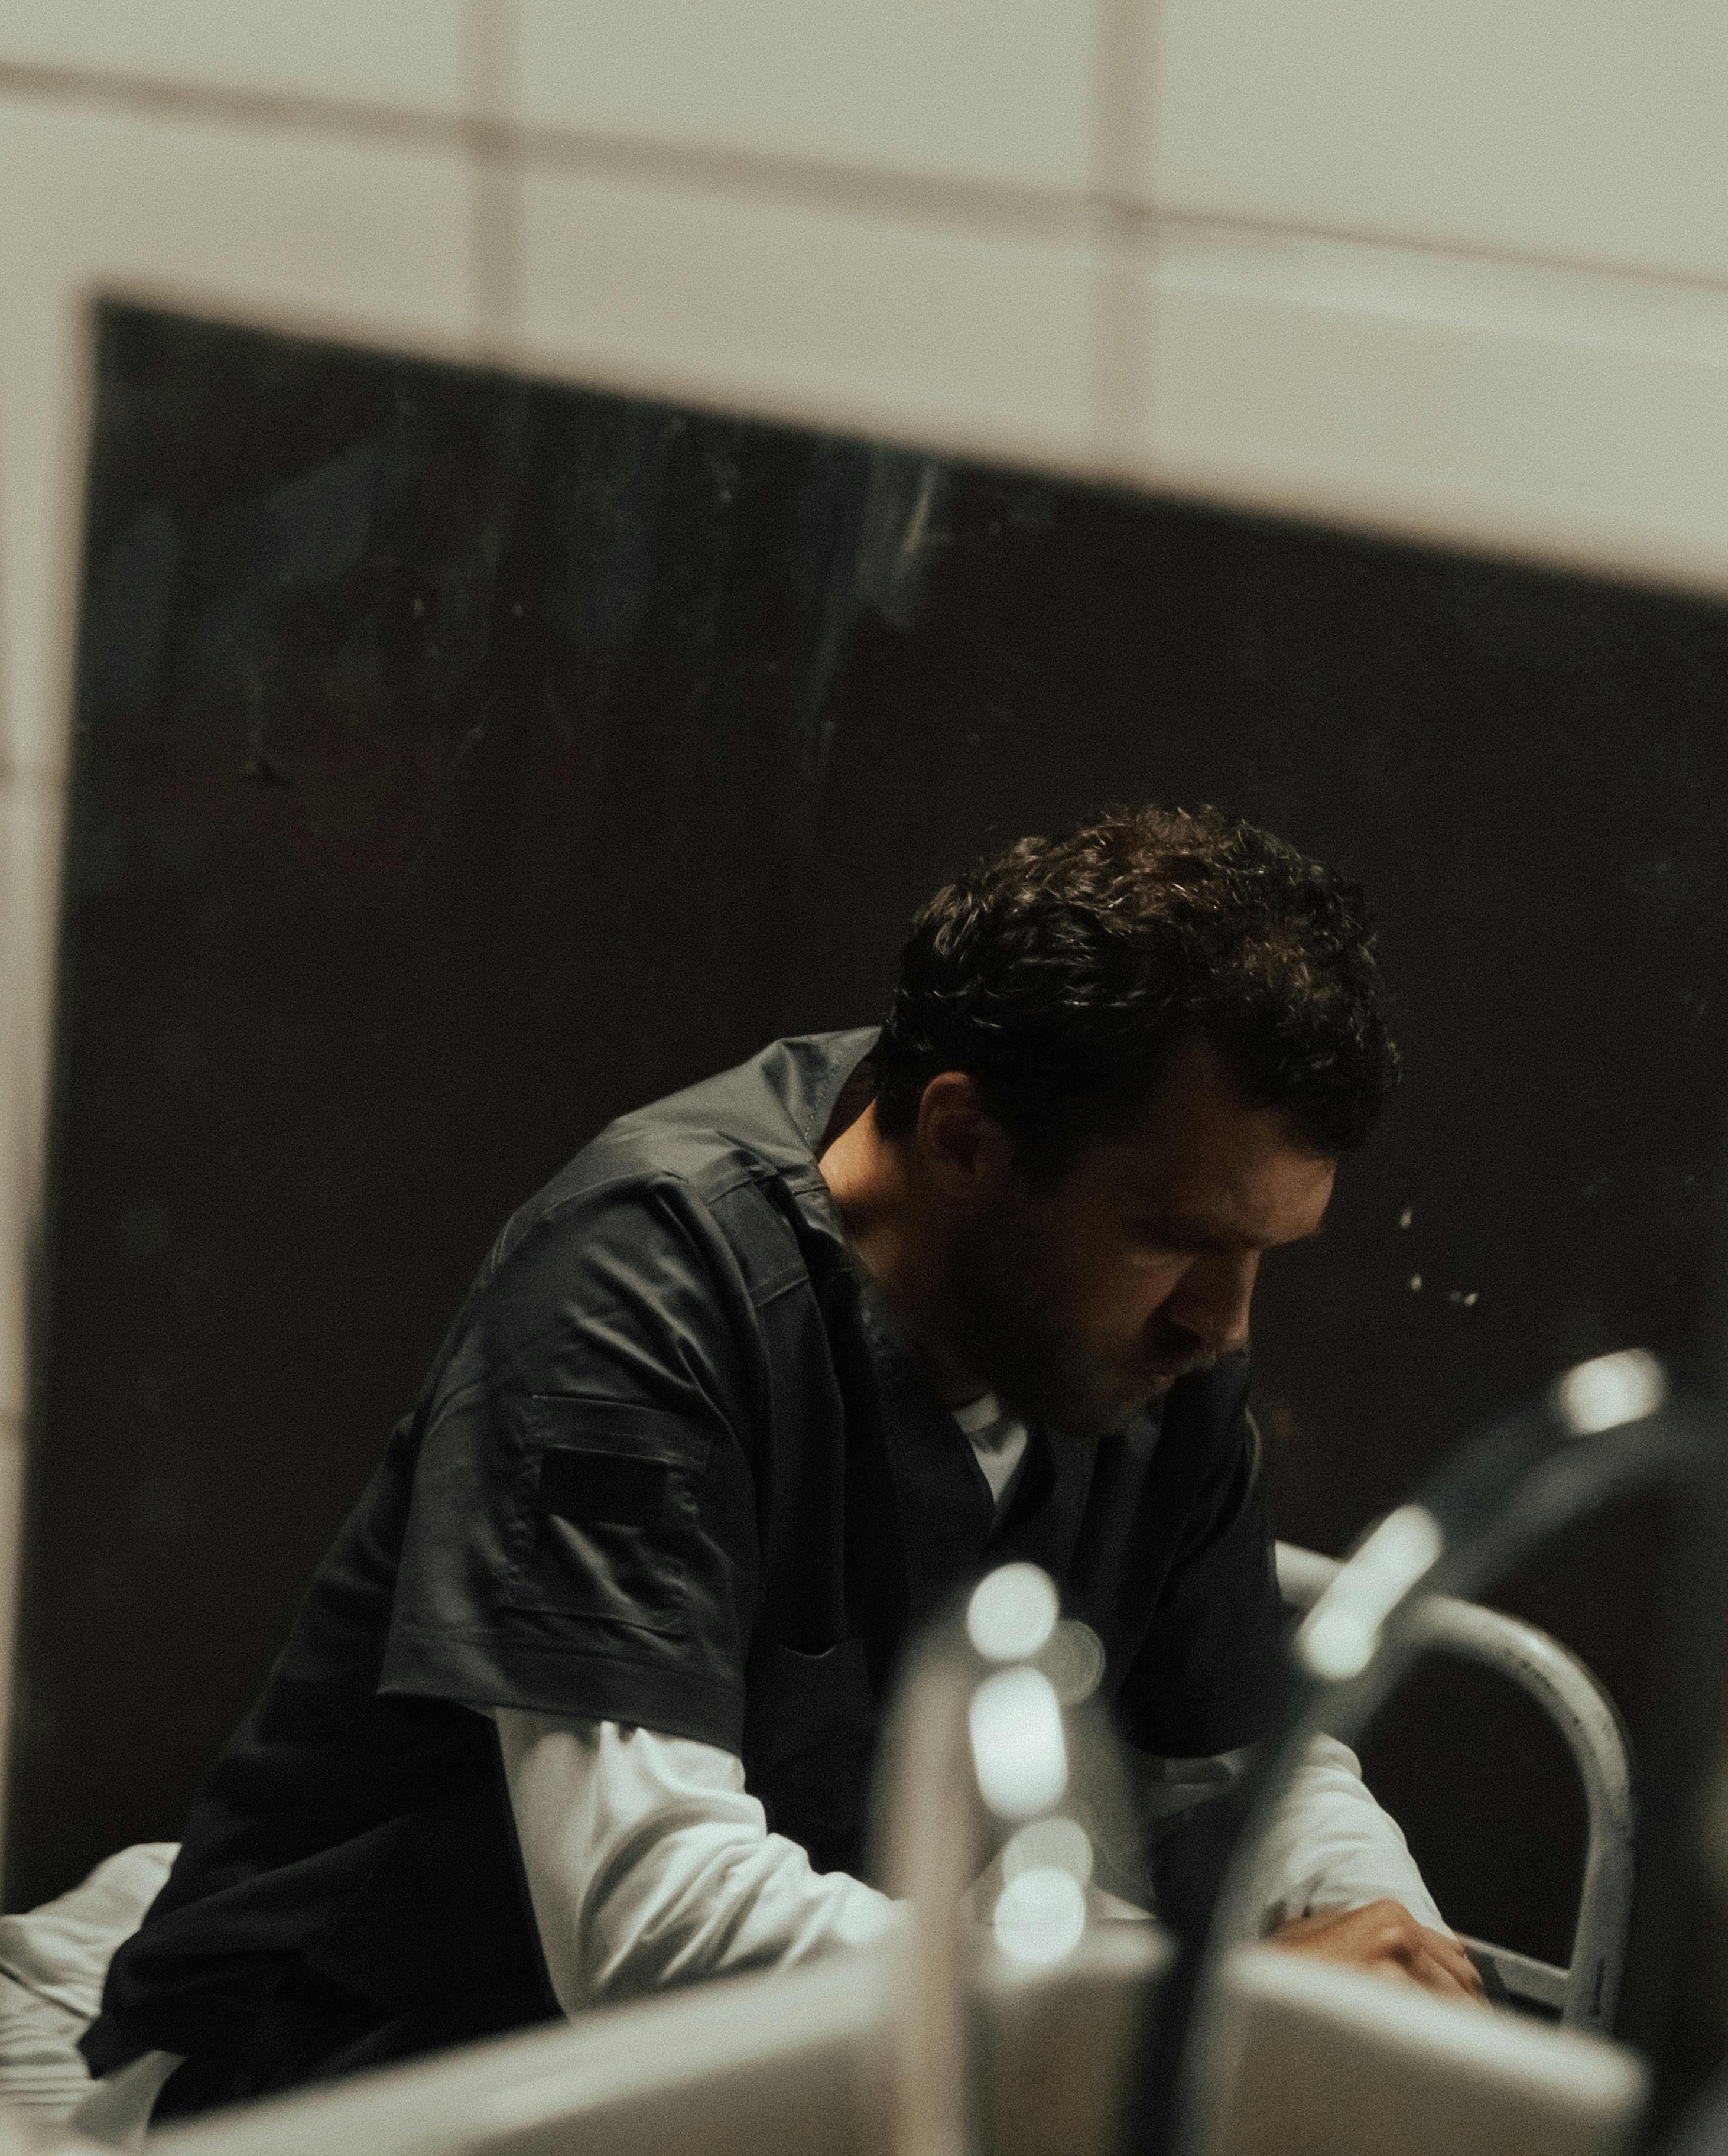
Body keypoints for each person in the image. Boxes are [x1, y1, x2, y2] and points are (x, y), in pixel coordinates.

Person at [77, 806, 1481, 2125]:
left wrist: (1387, 1968)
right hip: (365, 2068)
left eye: (1261, 1256)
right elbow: (649, 1920)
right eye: (1177, 1239)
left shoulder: (1146, 1360)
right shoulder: (643, 1281)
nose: (1225, 1324)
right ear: (965, 1140)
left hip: (730, 2083)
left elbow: (1232, 1773)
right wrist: (1188, 2010)